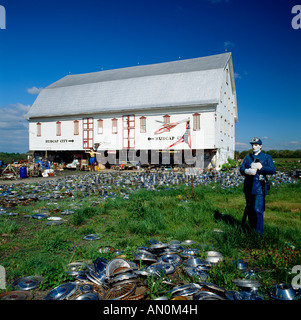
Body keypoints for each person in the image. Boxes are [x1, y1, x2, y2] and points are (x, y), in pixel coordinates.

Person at [240, 137, 276, 236]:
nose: (254, 147)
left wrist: (262, 168)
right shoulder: (248, 157)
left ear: (260, 146)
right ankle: (251, 230)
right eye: (252, 145)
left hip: (259, 187)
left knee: (258, 210)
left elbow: (272, 170)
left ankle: (259, 234)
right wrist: (246, 171)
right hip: (248, 187)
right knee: (250, 210)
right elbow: (242, 167)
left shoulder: (266, 157)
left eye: (256, 145)